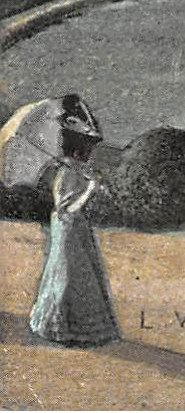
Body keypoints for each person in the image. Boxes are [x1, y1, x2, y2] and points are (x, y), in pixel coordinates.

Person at [30, 97, 119, 347]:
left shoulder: (74, 169)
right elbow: (66, 209)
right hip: (68, 228)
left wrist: (93, 186)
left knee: (78, 276)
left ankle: (70, 328)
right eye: (89, 147)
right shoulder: (68, 172)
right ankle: (62, 328)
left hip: (75, 228)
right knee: (68, 277)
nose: (91, 153)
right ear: (79, 147)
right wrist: (90, 191)